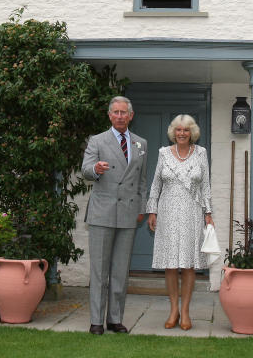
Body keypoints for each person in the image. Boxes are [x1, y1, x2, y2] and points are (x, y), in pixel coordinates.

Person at [81, 96, 148, 335]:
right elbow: (85, 170)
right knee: (100, 270)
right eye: (116, 112)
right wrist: (95, 170)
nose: (120, 116)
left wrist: (142, 208)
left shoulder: (141, 143)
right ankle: (96, 321)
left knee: (120, 270)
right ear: (110, 115)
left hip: (129, 214)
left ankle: (115, 319)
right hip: (103, 213)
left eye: (124, 112)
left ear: (131, 116)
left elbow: (141, 182)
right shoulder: (97, 141)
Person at [145, 114, 214, 331]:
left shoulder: (201, 153)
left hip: (192, 212)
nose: (182, 133)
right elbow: (156, 184)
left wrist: (208, 213)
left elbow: (206, 185)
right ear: (173, 133)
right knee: (171, 265)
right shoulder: (163, 153)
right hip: (167, 212)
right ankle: (173, 310)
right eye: (178, 130)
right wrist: (152, 210)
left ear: (192, 132)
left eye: (186, 130)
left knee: (189, 264)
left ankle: (185, 312)